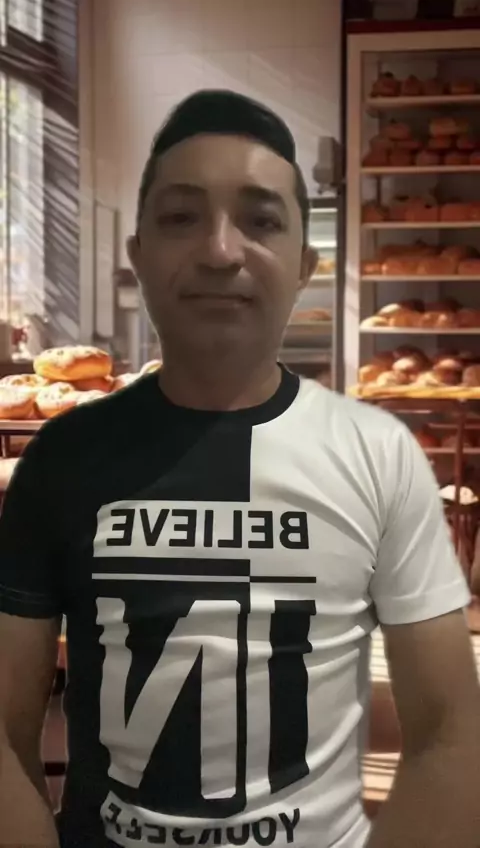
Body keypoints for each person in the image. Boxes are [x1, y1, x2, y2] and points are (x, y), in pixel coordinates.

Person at [0, 90, 479, 848]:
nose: (221, 252)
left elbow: (452, 737)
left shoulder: (379, 456)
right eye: (180, 217)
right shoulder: (61, 460)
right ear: (139, 256)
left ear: (305, 265)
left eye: (261, 220)